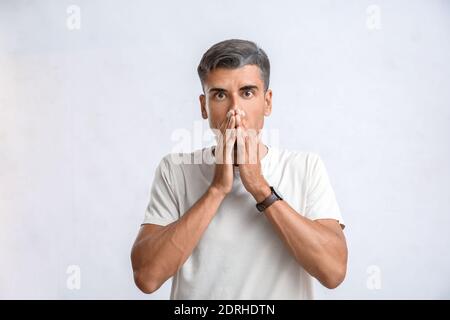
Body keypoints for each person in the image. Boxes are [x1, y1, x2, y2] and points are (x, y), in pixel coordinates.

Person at [131, 39, 348, 299]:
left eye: (247, 92)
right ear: (204, 106)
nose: (235, 109)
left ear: (267, 102)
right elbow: (147, 277)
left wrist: (260, 188)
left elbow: (333, 272)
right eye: (220, 94)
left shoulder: (305, 167)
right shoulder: (175, 171)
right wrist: (217, 189)